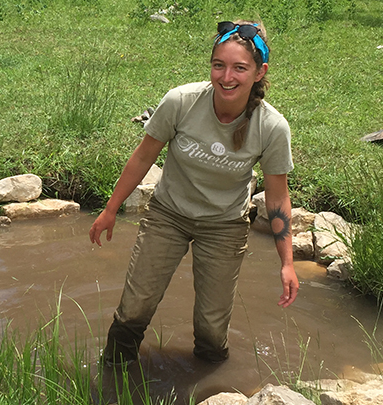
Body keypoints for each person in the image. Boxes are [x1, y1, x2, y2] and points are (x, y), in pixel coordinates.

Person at [89, 20, 299, 365]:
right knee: (135, 307)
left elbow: (277, 198)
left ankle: (211, 388)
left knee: (213, 329)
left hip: (224, 226)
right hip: (168, 214)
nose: (226, 77)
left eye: (239, 68)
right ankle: (113, 377)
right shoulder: (182, 101)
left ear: (260, 72)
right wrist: (111, 209)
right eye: (219, 65)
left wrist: (287, 263)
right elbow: (144, 155)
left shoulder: (271, 127)